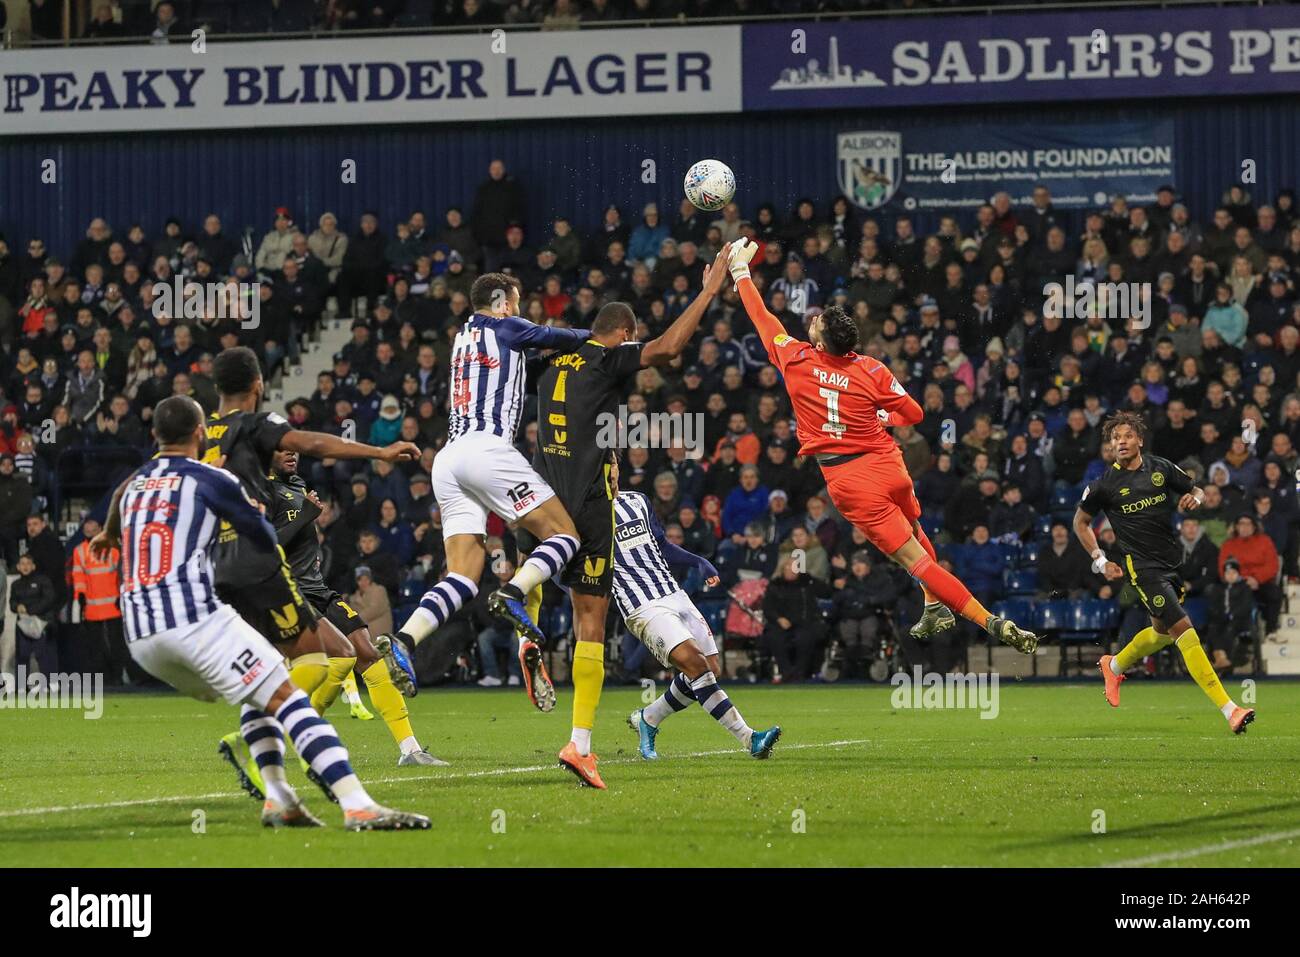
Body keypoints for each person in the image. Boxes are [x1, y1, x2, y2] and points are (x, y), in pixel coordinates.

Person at [94, 395, 428, 830]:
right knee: (289, 695)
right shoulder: (212, 479)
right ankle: (357, 804)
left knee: (265, 682)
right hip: (192, 622)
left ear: (156, 436)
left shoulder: (137, 479)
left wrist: (106, 534)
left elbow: (119, 496)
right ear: (200, 434)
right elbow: (263, 537)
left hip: (138, 634)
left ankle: (279, 799)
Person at [726, 238, 1038, 654]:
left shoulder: (796, 359)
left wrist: (741, 271)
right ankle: (932, 604)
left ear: (821, 343)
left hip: (850, 480)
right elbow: (914, 415)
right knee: (917, 530)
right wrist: (879, 418)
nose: (813, 321)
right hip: (888, 462)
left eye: (817, 322)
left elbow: (762, 316)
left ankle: (990, 621)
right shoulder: (871, 368)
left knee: (916, 562)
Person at [526, 246, 732, 789]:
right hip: (593, 506)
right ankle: (581, 744)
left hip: (546, 503)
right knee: (592, 626)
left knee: (569, 608)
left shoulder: (549, 363)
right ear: (624, 332)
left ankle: (528, 621)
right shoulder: (606, 355)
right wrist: (710, 290)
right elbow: (668, 347)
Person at [386, 273, 589, 716]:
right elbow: (556, 336)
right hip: (486, 450)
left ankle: (403, 640)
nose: (518, 310)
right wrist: (598, 338)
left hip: (449, 458)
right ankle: (514, 592)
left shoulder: (462, 338)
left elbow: (519, 365)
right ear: (501, 302)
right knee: (565, 536)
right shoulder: (504, 327)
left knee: (461, 577)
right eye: (515, 302)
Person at [1073, 411, 1255, 734]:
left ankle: (1113, 665)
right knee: (1184, 630)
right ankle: (1230, 709)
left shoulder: (1160, 468)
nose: (1121, 442)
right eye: (1115, 438)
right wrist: (1100, 561)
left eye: (1127, 436)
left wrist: (1194, 498)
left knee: (1160, 633)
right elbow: (1080, 523)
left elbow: (1196, 489)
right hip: (1142, 569)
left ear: (1139, 440)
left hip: (1172, 564)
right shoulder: (1104, 485)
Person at [267, 449, 443, 767]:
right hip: (289, 589)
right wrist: (307, 517)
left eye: (294, 446)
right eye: (281, 447)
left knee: (367, 652)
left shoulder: (296, 484)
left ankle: (410, 749)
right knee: (343, 653)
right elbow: (264, 546)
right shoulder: (262, 491)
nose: (291, 452)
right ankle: (302, 726)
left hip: (317, 587)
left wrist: (311, 546)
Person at [612, 465, 781, 760]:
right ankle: (749, 738)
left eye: (613, 463)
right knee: (695, 664)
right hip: (642, 604)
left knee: (710, 668)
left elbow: (661, 544)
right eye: (605, 465)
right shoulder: (583, 515)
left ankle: (649, 718)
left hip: (673, 592)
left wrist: (698, 561)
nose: (611, 470)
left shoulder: (637, 500)